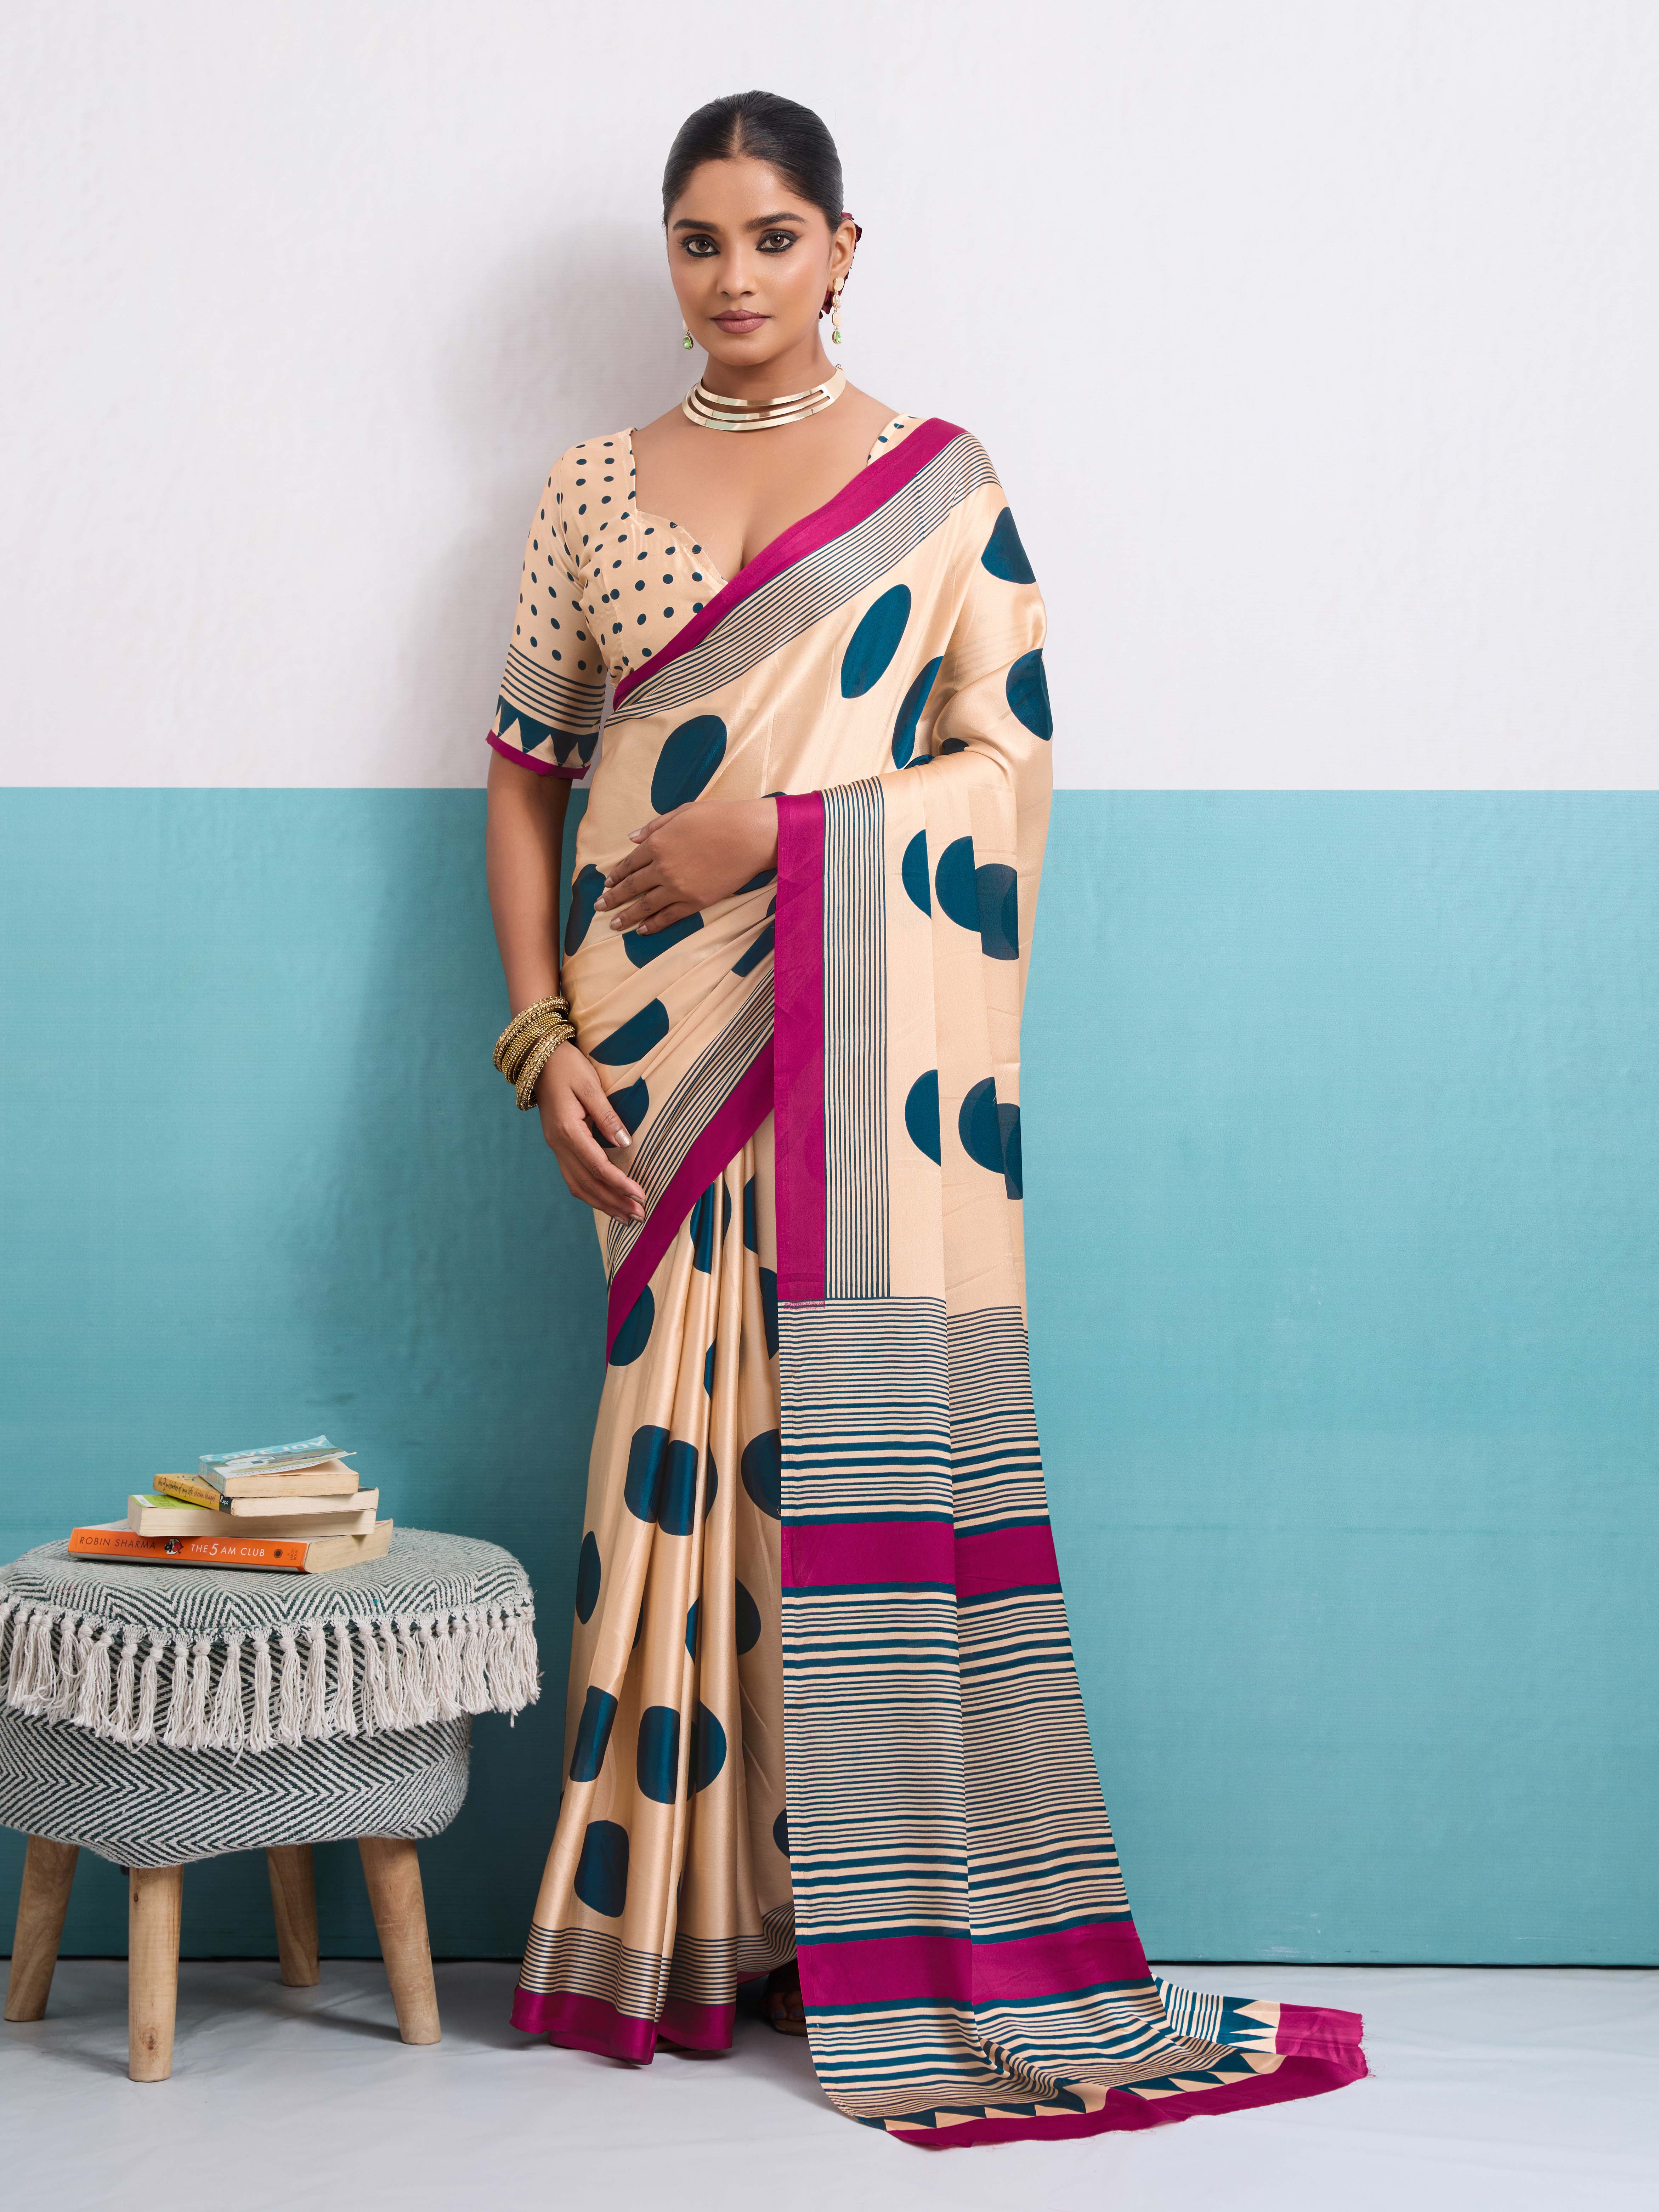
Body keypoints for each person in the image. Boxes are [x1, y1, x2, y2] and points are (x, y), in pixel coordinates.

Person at [482, 89, 1366, 2146]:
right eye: (700, 239)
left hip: (858, 1057)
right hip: (647, 1056)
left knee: (849, 1464)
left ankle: (865, 1923)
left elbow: (1006, 776)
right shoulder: (589, 487)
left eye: (773, 236)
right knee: (675, 1470)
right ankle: (680, 1929)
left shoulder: (942, 489)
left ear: (844, 248)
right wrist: (534, 1034)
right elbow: (525, 774)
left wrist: (776, 838)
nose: (736, 276)